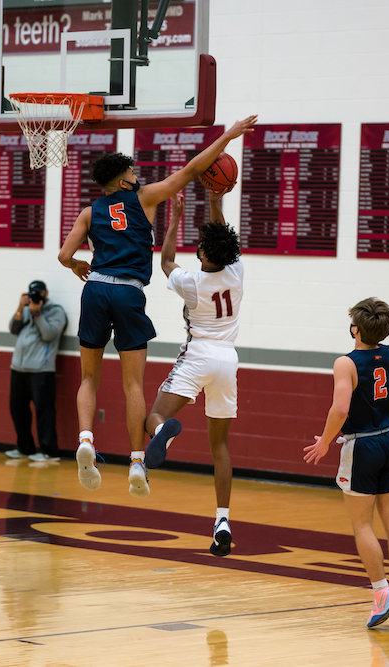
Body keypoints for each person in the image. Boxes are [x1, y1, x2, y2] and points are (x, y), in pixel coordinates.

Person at [58, 115, 258, 498]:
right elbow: (193, 169)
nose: (137, 176)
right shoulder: (143, 198)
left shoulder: (89, 213)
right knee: (133, 382)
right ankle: (136, 460)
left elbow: (65, 254)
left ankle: (86, 438)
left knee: (89, 377)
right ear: (122, 181)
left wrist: (78, 265)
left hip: (95, 289)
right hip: (129, 292)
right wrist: (228, 136)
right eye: (133, 172)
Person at [303, 297, 389, 628]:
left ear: (355, 327)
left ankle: (381, 593)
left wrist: (324, 442)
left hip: (362, 446)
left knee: (362, 525)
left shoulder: (346, 363)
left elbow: (340, 409)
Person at [142, 189, 243, 557]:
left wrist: (176, 219)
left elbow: (166, 259)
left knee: (152, 416)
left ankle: (161, 432)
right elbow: (220, 233)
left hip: (198, 354)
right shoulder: (236, 272)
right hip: (228, 361)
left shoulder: (192, 282)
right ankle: (222, 519)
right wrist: (216, 200)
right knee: (220, 446)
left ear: (202, 254)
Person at [5, 279, 67, 462]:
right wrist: (20, 306)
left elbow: (49, 335)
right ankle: (25, 448)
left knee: (44, 411)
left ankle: (49, 451)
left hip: (41, 369)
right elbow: (13, 328)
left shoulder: (56, 311)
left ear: (45, 293)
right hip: (18, 367)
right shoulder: (25, 309)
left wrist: (37, 314)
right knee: (17, 409)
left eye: (39, 293)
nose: (36, 296)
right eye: (33, 293)